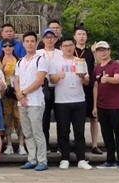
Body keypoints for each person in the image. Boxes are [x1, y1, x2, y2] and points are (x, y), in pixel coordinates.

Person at [49, 37, 92, 170]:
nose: (68, 48)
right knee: (63, 131)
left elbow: (87, 81)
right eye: (65, 46)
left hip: (79, 100)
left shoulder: (80, 61)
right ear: (60, 48)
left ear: (74, 46)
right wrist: (58, 76)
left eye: (70, 45)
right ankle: (65, 158)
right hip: (61, 101)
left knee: (79, 131)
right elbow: (51, 80)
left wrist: (82, 77)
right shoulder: (55, 61)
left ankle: (81, 159)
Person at [15, 31, 48, 171]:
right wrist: (20, 96)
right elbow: (16, 81)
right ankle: (32, 159)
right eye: (27, 41)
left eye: (32, 41)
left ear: (36, 43)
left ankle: (42, 160)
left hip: (35, 102)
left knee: (37, 132)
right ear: (23, 44)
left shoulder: (41, 60)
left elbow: (39, 81)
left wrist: (23, 93)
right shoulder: (20, 61)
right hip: (22, 102)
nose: (29, 44)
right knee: (27, 132)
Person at [93, 41, 119, 172]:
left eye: (105, 50)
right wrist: (95, 106)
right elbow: (95, 87)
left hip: (115, 106)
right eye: (99, 50)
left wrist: (107, 79)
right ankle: (110, 160)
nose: (102, 52)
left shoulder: (115, 65)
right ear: (97, 53)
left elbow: (117, 79)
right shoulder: (97, 68)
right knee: (106, 134)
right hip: (102, 106)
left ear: (109, 51)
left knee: (118, 133)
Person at [0, 39, 26, 155]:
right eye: (5, 46)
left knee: (19, 117)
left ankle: (21, 144)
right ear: (2, 48)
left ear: (13, 47)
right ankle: (9, 144)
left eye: (10, 45)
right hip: (4, 93)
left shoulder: (19, 61)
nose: (7, 47)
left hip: (16, 91)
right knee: (6, 117)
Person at [74, 26, 101, 154]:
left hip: (89, 87)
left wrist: (95, 52)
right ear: (75, 37)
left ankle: (94, 144)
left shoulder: (91, 52)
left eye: (83, 34)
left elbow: (99, 65)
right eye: (79, 34)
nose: (81, 36)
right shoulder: (70, 51)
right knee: (75, 118)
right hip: (73, 87)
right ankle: (77, 143)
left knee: (93, 117)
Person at [37, 28, 61, 149]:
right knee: (44, 118)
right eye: (47, 37)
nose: (49, 40)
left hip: (59, 89)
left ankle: (61, 145)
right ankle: (44, 145)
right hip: (43, 89)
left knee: (61, 118)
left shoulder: (61, 53)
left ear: (56, 39)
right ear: (43, 39)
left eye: (52, 37)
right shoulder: (38, 53)